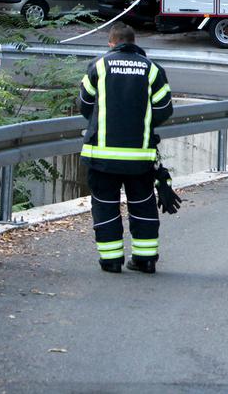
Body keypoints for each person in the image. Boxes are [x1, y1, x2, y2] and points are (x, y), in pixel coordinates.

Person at [78, 23, 173, 274]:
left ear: (111, 43)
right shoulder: (152, 69)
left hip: (101, 155)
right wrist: (141, 125)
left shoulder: (99, 66)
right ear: (134, 42)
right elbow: (164, 109)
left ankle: (111, 261)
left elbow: (85, 104)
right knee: (142, 205)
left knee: (105, 204)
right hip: (139, 156)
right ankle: (145, 259)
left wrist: (101, 121)